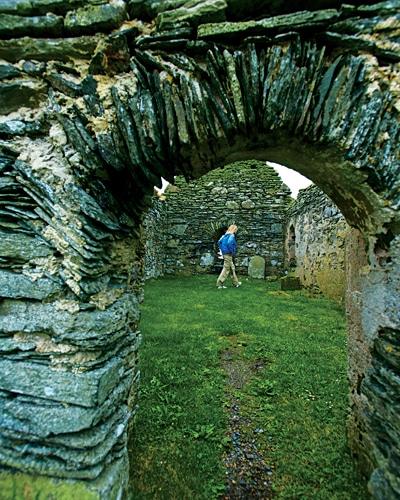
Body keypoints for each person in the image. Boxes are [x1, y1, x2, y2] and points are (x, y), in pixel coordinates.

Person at [216, 224, 242, 289]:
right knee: (226, 268)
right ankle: (219, 284)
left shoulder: (225, 235)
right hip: (228, 254)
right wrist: (231, 251)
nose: (236, 231)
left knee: (232, 268)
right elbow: (229, 243)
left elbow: (219, 242)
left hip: (225, 253)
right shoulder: (231, 235)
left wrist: (223, 249)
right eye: (236, 229)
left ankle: (236, 282)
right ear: (234, 229)